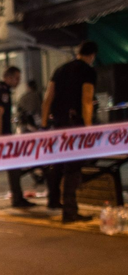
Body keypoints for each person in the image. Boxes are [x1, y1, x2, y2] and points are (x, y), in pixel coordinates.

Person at [41, 41, 98, 223]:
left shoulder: (60, 69)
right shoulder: (88, 71)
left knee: (58, 163)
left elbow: (48, 98)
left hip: (57, 124)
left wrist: (44, 125)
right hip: (74, 125)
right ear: (92, 55)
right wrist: (88, 128)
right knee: (73, 168)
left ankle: (54, 201)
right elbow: (87, 100)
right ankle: (70, 211)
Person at [0, 66, 35, 215]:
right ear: (9, 77)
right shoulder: (3, 91)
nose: (18, 81)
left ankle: (16, 198)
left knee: (12, 166)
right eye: (17, 78)